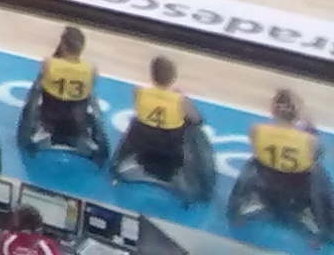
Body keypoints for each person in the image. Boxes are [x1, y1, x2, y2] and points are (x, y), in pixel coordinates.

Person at [230, 89, 334, 238]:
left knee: (254, 162)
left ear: (273, 111)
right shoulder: (309, 140)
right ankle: (325, 220)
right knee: (317, 169)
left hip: (266, 185)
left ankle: (246, 202)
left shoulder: (256, 130)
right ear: (297, 114)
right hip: (298, 191)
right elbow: (316, 158)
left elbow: (257, 154)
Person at [112, 55, 215, 203]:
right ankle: (203, 186)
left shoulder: (138, 92)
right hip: (171, 158)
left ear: (152, 75)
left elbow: (141, 112)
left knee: (138, 121)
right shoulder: (181, 101)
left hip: (142, 152)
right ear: (173, 77)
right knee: (192, 130)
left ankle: (118, 162)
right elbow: (198, 120)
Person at [19, 26, 111, 162]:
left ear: (62, 44)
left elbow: (37, 89)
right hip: (77, 123)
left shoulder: (49, 64)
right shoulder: (91, 69)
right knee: (90, 95)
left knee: (39, 88)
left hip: (49, 120)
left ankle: (27, 134)